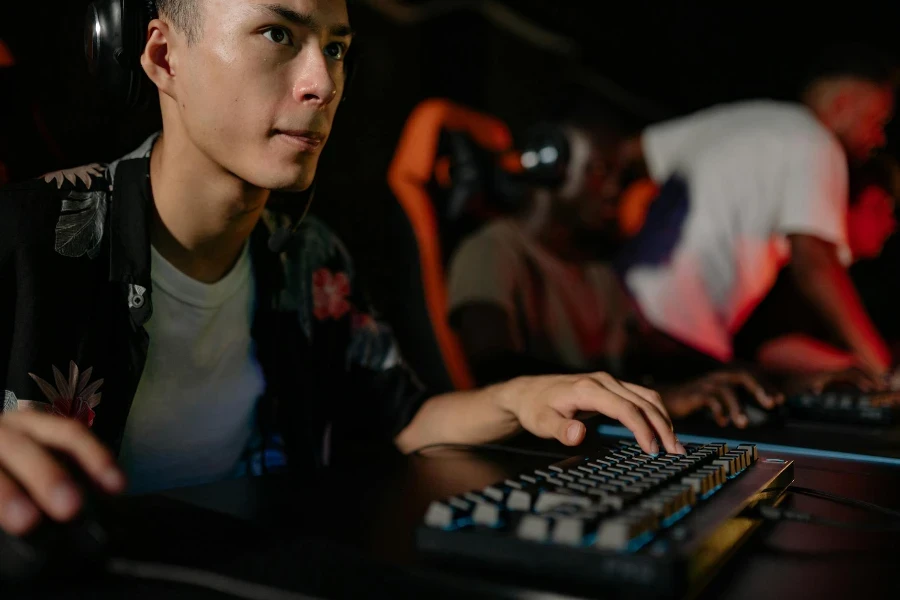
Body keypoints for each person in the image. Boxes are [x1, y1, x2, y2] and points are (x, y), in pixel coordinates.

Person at [0, 0, 684, 538]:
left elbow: (404, 421)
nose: (322, 83)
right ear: (163, 56)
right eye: (277, 34)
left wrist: (522, 398)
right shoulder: (28, 234)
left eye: (335, 48)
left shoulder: (310, 256)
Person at [448, 123, 781, 431]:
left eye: (619, 176)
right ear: (548, 165)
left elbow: (655, 350)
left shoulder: (598, 274)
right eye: (599, 170)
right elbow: (494, 369)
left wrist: (748, 374)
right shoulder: (491, 250)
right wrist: (654, 395)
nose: (613, 189)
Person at [616, 45, 896, 380]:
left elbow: (626, 153)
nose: (878, 138)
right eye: (876, 122)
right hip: (675, 326)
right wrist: (884, 371)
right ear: (842, 104)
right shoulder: (819, 144)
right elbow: (815, 263)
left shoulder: (751, 118)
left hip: (623, 304)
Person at [734, 155, 898, 375]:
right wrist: (860, 366)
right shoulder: (796, 268)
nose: (891, 223)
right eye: (879, 207)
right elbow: (770, 348)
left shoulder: (850, 276)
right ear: (842, 203)